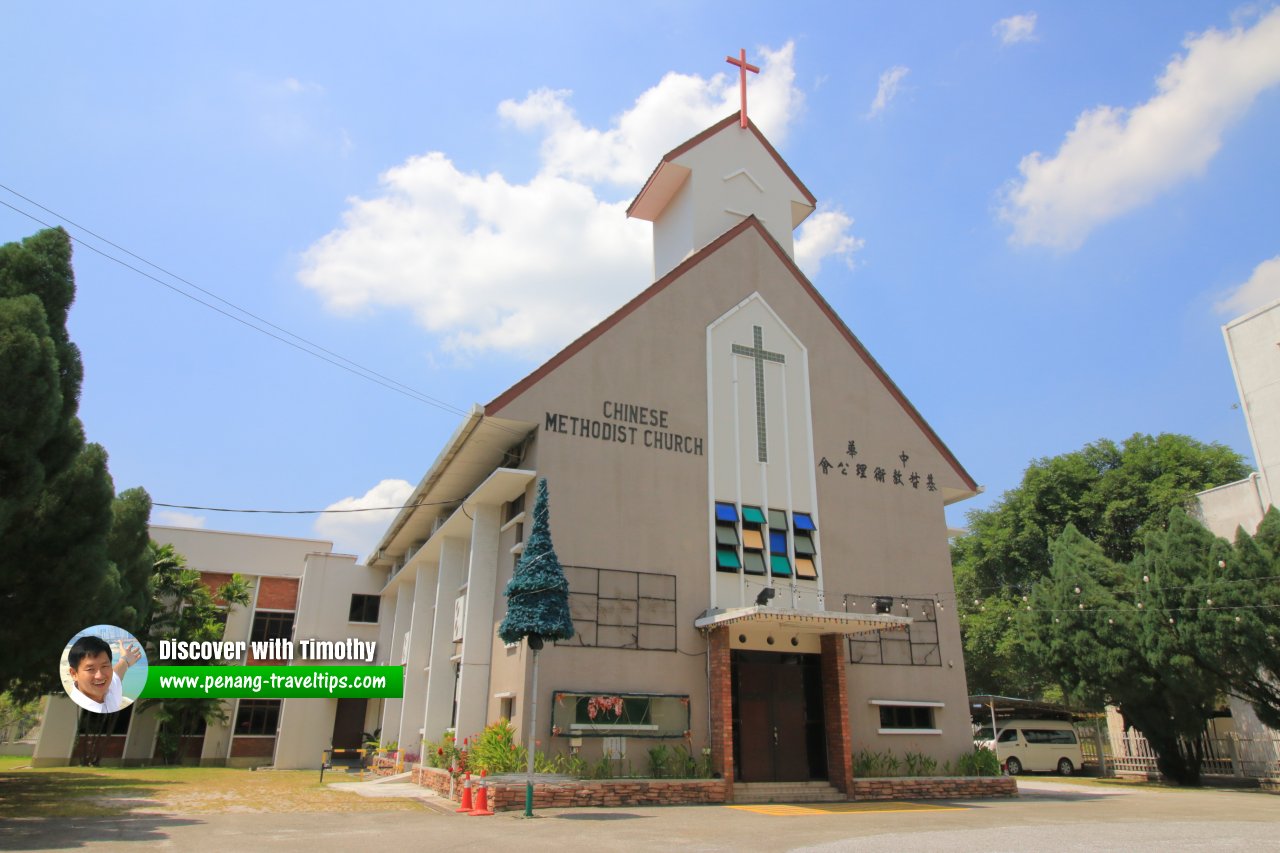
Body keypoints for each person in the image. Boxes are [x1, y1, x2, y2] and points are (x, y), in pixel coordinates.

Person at [66, 635, 141, 714]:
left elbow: (117, 673)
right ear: (74, 674)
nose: (100, 676)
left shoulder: (110, 688)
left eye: (104, 666)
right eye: (90, 669)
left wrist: (125, 659)